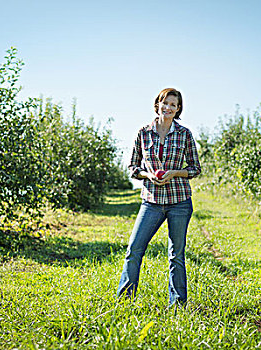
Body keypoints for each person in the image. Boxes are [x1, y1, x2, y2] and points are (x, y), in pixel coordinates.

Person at [116, 88, 201, 306]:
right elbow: (133, 167)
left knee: (176, 255)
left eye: (173, 105)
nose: (168, 108)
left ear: (178, 109)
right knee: (134, 249)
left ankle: (178, 305)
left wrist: (174, 173)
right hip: (151, 201)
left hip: (179, 202)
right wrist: (148, 175)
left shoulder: (184, 134)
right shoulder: (143, 133)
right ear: (158, 104)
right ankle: (125, 300)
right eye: (165, 103)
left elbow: (194, 168)